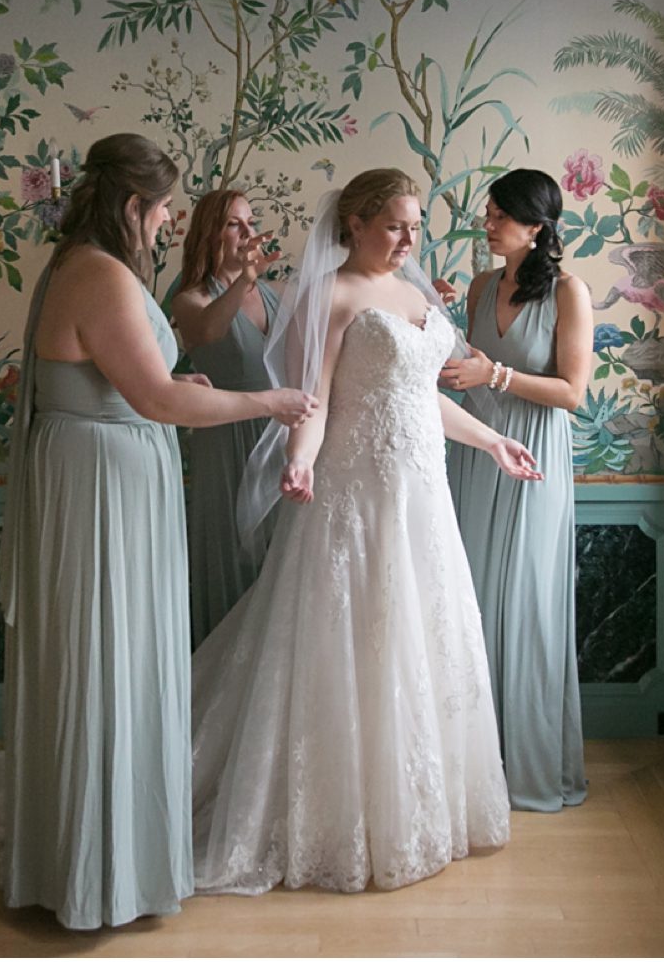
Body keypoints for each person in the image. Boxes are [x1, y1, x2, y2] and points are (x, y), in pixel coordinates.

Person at [0, 133, 317, 932]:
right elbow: (156, 402)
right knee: (106, 660)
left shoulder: (81, 265)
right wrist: (267, 403)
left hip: (104, 476)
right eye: (161, 210)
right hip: (100, 496)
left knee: (110, 659)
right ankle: (98, 871)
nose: (166, 223)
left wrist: (168, 383)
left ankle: (101, 854)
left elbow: (121, 381)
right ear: (130, 206)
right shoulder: (101, 273)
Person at [186, 168, 539, 895]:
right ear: (353, 224)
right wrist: (299, 460)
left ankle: (418, 812)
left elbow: (421, 399)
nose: (409, 238)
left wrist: (491, 442)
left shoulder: (415, 295)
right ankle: (337, 820)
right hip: (353, 491)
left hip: (420, 498)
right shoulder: (330, 294)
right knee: (352, 638)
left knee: (420, 635)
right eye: (394, 226)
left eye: (414, 225)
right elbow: (313, 401)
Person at [439, 168, 593, 813]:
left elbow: (571, 393)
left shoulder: (567, 293)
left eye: (501, 215)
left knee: (526, 603)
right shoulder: (478, 286)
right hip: (475, 453)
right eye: (490, 212)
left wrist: (495, 373)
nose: (488, 223)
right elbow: (462, 372)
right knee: (468, 597)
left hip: (533, 458)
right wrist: (439, 332)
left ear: (536, 227)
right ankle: (471, 763)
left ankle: (529, 767)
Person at [170, 189, 283, 645]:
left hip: (277, 434)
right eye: (236, 224)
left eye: (251, 222)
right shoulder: (189, 298)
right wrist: (241, 281)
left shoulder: (275, 295)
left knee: (277, 559)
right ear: (211, 232)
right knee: (232, 553)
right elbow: (207, 331)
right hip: (224, 435)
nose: (248, 233)